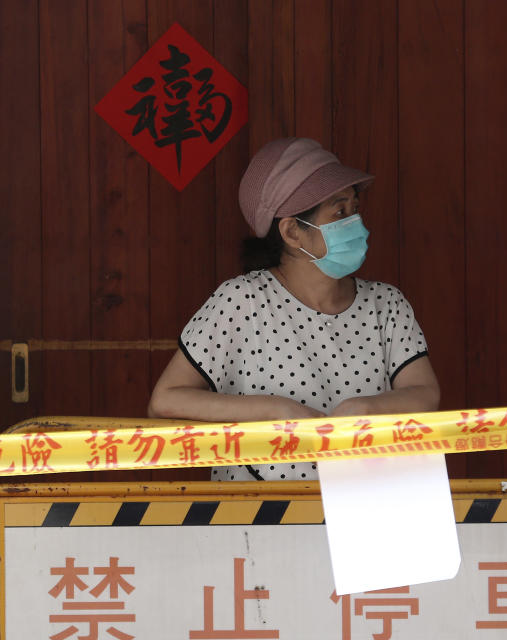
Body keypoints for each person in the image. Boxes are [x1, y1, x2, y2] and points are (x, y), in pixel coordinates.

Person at [147, 138, 440, 481]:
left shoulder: (387, 304)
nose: (356, 222)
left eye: (355, 208)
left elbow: (425, 393)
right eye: (340, 211)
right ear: (292, 232)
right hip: (255, 518)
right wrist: (274, 410)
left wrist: (361, 410)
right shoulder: (241, 300)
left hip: (364, 506)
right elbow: (165, 401)